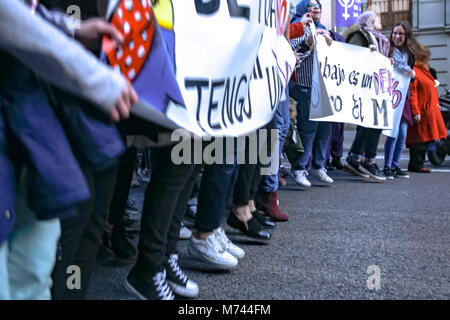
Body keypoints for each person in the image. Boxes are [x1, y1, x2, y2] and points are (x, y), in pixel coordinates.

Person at [288, 0, 337, 187]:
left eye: (318, 6)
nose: (315, 8)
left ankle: (318, 165)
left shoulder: (325, 30)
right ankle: (299, 168)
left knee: (325, 128)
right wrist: (308, 42)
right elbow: (292, 54)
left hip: (323, 88)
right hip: (304, 84)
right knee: (308, 129)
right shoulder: (298, 27)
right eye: (310, 5)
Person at [342, 11, 389, 182]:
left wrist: (386, 61)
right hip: (366, 87)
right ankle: (366, 160)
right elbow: (352, 55)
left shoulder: (379, 37)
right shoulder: (360, 35)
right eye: (375, 18)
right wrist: (368, 52)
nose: (379, 20)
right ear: (368, 21)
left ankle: (357, 158)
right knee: (371, 123)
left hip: (377, 87)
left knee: (372, 123)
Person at [406, 42, 448, 172]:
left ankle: (417, 164)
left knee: (424, 139)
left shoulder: (424, 70)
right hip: (421, 111)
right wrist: (416, 111)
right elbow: (412, 93)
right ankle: (416, 165)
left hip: (428, 110)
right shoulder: (415, 71)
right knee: (419, 139)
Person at [383, 21, 416, 179]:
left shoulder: (410, 55)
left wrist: (413, 77)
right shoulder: (387, 51)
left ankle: (395, 165)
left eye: (400, 34)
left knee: (402, 134)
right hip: (391, 98)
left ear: (406, 36)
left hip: (403, 98)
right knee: (393, 133)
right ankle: (387, 166)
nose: (397, 36)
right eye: (395, 33)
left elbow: (409, 79)